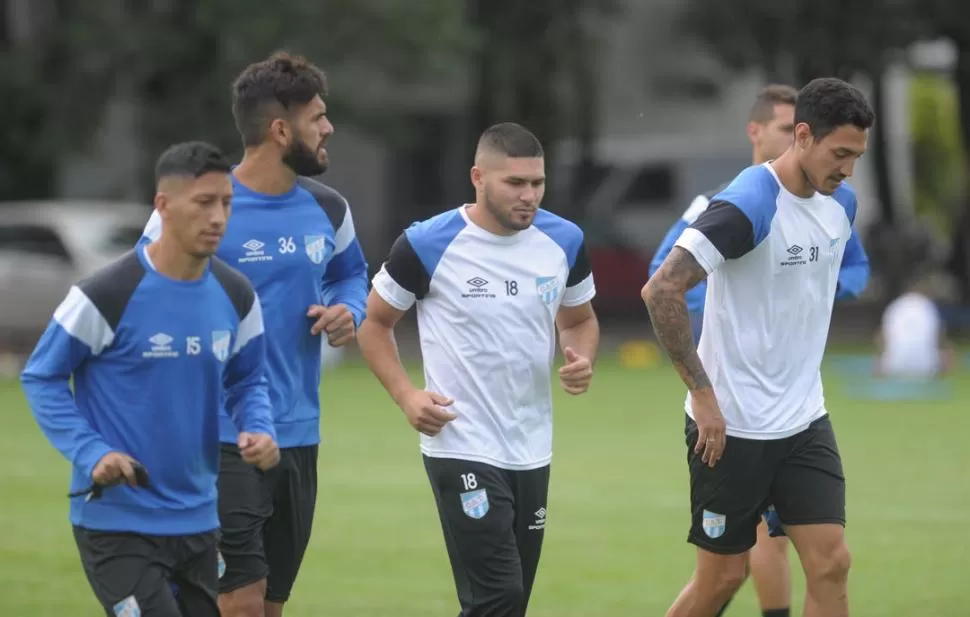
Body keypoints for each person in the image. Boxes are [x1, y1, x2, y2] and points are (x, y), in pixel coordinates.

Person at [139, 52, 369, 617]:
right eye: (318, 117)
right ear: (280, 129)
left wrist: (348, 310)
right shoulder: (201, 207)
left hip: (298, 435)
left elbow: (350, 274)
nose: (328, 128)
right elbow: (141, 300)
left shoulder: (328, 208)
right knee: (236, 603)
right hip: (217, 437)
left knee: (268, 605)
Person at [641, 77, 875, 617]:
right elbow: (662, 288)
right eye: (839, 153)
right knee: (722, 577)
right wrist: (702, 394)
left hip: (803, 420)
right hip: (732, 426)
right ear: (802, 136)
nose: (847, 169)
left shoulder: (842, 203)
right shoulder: (749, 201)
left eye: (857, 156)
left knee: (832, 563)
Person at [20, 141, 280, 617]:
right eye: (203, 203)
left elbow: (248, 382)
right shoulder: (106, 294)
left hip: (199, 519)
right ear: (163, 206)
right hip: (117, 522)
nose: (218, 218)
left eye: (226, 203)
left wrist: (259, 428)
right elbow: (42, 377)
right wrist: (91, 451)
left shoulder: (236, 294)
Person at [357, 122, 600, 617]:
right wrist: (407, 396)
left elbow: (579, 319)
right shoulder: (427, 243)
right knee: (498, 595)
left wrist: (582, 358)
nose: (528, 195)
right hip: (460, 442)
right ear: (478, 178)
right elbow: (374, 325)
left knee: (511, 601)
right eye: (514, 183)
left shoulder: (565, 241)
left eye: (537, 182)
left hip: (531, 447)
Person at [875, 269, 956, 379]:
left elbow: (881, 339)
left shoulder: (895, 306)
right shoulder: (928, 306)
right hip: (926, 368)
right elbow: (939, 339)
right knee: (946, 355)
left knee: (878, 361)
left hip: (895, 367)